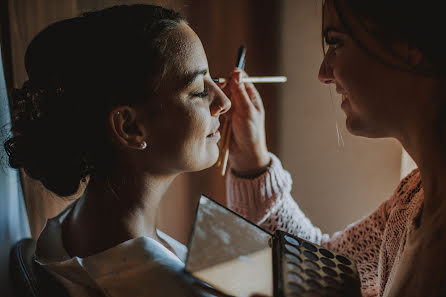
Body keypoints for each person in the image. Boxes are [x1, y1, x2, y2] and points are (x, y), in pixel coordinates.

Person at [4, 5, 233, 297]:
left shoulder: (78, 226)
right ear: (129, 127)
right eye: (200, 90)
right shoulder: (167, 287)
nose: (224, 100)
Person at [223, 1, 446, 297]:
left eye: (336, 43)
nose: (323, 72)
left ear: (410, 45)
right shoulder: (412, 199)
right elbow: (325, 266)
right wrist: (252, 161)